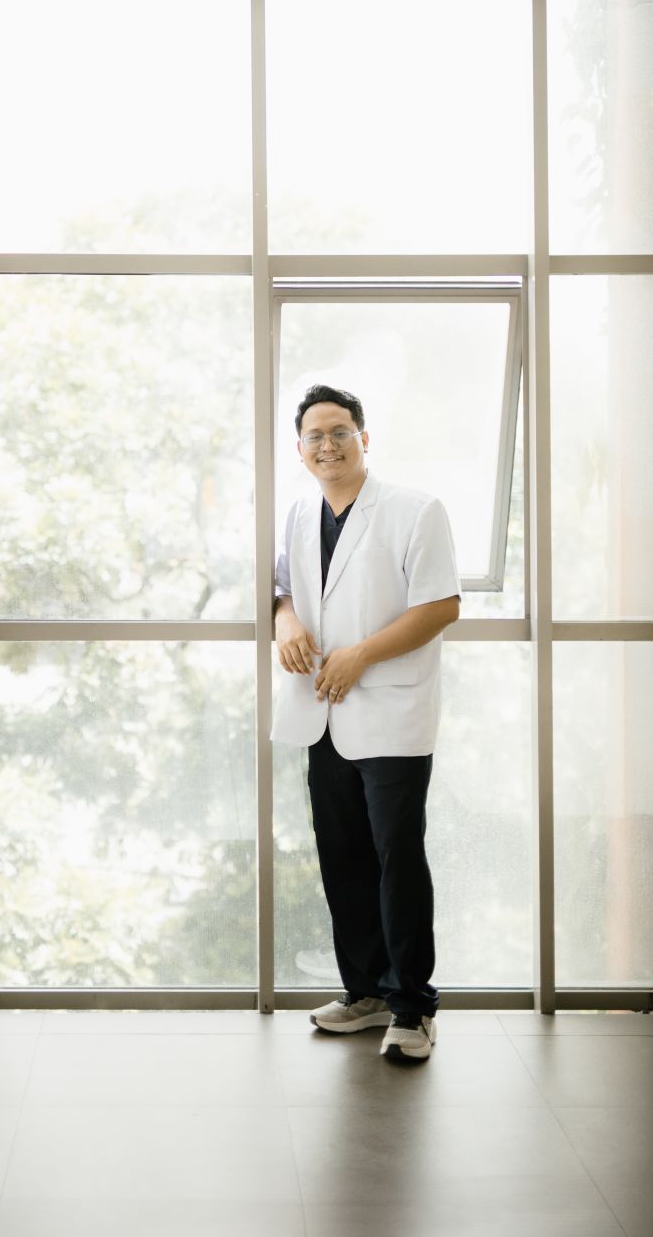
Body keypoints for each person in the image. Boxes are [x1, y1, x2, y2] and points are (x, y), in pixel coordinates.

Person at [273, 384, 460, 1063]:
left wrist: (360, 656)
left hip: (389, 711)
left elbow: (440, 606)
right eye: (314, 436)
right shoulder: (299, 513)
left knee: (396, 858)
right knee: (342, 855)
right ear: (300, 450)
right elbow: (282, 589)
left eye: (339, 432)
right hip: (321, 710)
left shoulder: (415, 510)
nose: (327, 445)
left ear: (363, 438)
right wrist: (286, 622)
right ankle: (365, 992)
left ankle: (412, 1005)